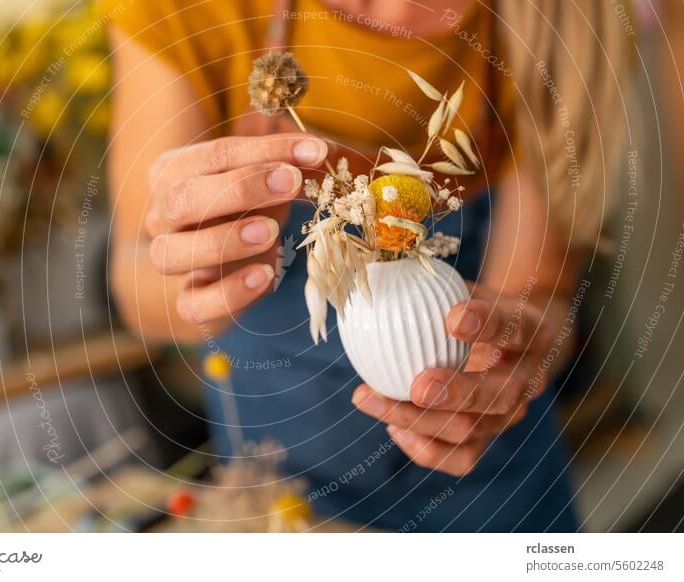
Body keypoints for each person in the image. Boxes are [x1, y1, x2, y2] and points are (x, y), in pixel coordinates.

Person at [105, 0, 631, 531]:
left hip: (489, 481)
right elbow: (138, 290)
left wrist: (520, 350)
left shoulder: (563, 22)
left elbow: (538, 290)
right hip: (282, 487)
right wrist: (201, 271)